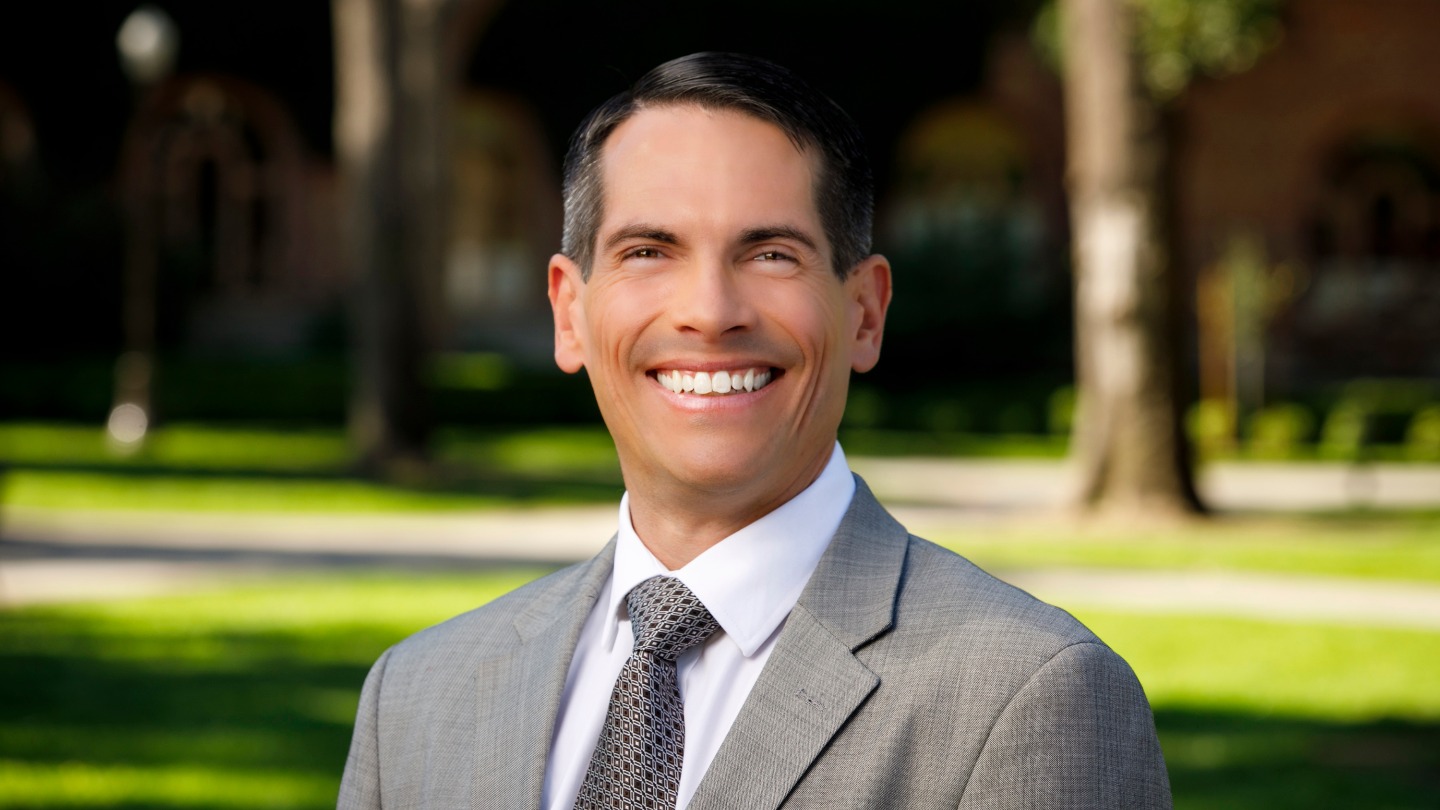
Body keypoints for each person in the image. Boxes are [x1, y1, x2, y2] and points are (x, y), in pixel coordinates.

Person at [338, 52, 1171, 809]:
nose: (709, 312)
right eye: (648, 252)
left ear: (864, 312)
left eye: (771, 253)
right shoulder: (412, 699)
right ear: (569, 314)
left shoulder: (1033, 697)